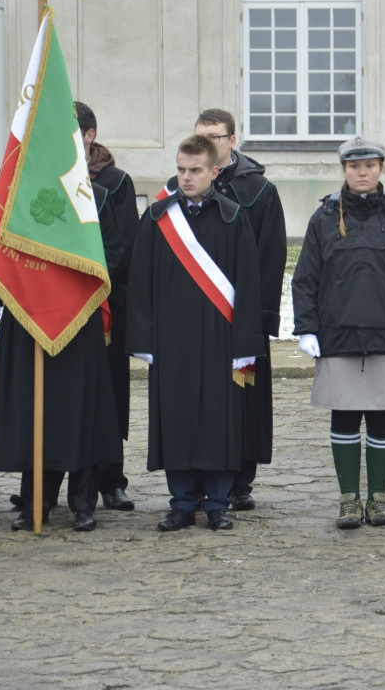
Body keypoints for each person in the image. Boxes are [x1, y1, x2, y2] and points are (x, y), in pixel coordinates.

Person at [291, 135, 385, 529]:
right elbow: (305, 279)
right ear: (344, 170)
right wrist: (306, 328)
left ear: (380, 169)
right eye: (354, 166)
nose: (362, 172)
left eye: (369, 165)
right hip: (338, 336)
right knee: (345, 419)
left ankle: (380, 499)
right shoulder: (323, 218)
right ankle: (349, 500)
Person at [127, 135, 262, 532]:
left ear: (213, 172)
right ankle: (182, 503)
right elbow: (140, 283)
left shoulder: (234, 217)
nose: (186, 177)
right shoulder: (157, 219)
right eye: (181, 169)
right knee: (178, 419)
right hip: (172, 340)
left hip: (220, 340)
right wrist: (144, 338)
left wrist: (245, 343)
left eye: (195, 170)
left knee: (219, 420)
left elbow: (248, 285)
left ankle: (218, 503)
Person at [0, 187, 123, 533]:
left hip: (79, 310)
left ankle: (83, 503)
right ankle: (37, 502)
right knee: (36, 410)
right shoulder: (19, 190)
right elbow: (1, 247)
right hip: (28, 310)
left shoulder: (92, 196)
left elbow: (112, 250)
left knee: (81, 409)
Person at [189, 109, 286, 512]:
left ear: (232, 140)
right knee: (197, 398)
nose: (208, 142)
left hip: (240, 318)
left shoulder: (259, 191)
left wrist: (258, 316)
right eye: (201, 136)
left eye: (215, 136)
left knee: (242, 398)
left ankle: (240, 480)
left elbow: (271, 258)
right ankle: (195, 476)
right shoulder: (182, 187)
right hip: (194, 320)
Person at [75, 101, 140, 511]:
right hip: (58, 306)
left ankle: (110, 479)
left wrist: (88, 280)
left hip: (103, 305)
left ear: (90, 135)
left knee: (108, 392)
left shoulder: (116, 182)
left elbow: (123, 243)